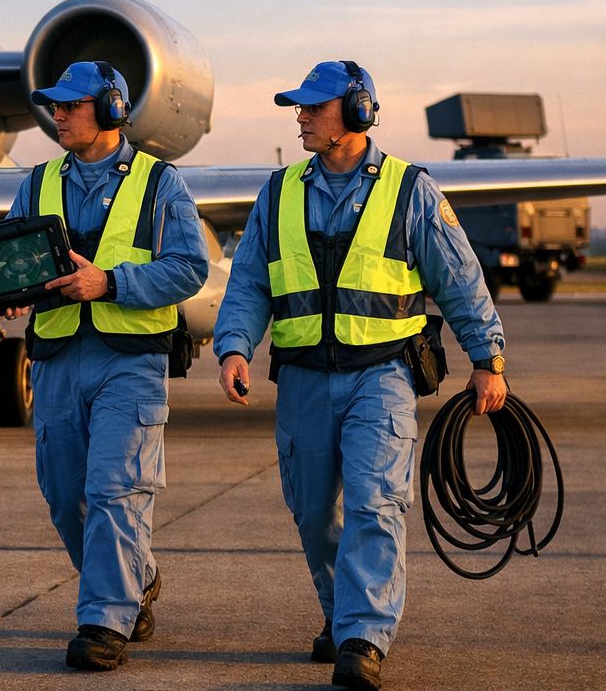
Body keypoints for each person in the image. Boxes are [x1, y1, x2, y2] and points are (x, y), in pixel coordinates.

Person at [212, 61, 507, 691]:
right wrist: (233, 348)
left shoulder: (410, 191)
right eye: (300, 108)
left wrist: (488, 360)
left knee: (376, 504)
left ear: (357, 112)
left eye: (313, 108)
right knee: (314, 514)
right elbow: (248, 283)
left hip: (383, 376)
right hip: (303, 381)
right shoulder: (280, 191)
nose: (301, 118)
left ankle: (363, 638)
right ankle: (340, 613)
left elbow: (460, 280)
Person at [3, 60, 209, 672]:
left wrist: (110, 282)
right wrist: (11, 289)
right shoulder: (36, 182)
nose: (57, 114)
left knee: (115, 490)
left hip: (130, 361)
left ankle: (103, 621)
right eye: (54, 105)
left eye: (71, 105)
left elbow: (188, 268)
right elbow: (17, 258)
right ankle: (137, 579)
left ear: (112, 111)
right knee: (66, 497)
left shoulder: (159, 185)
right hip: (58, 358)